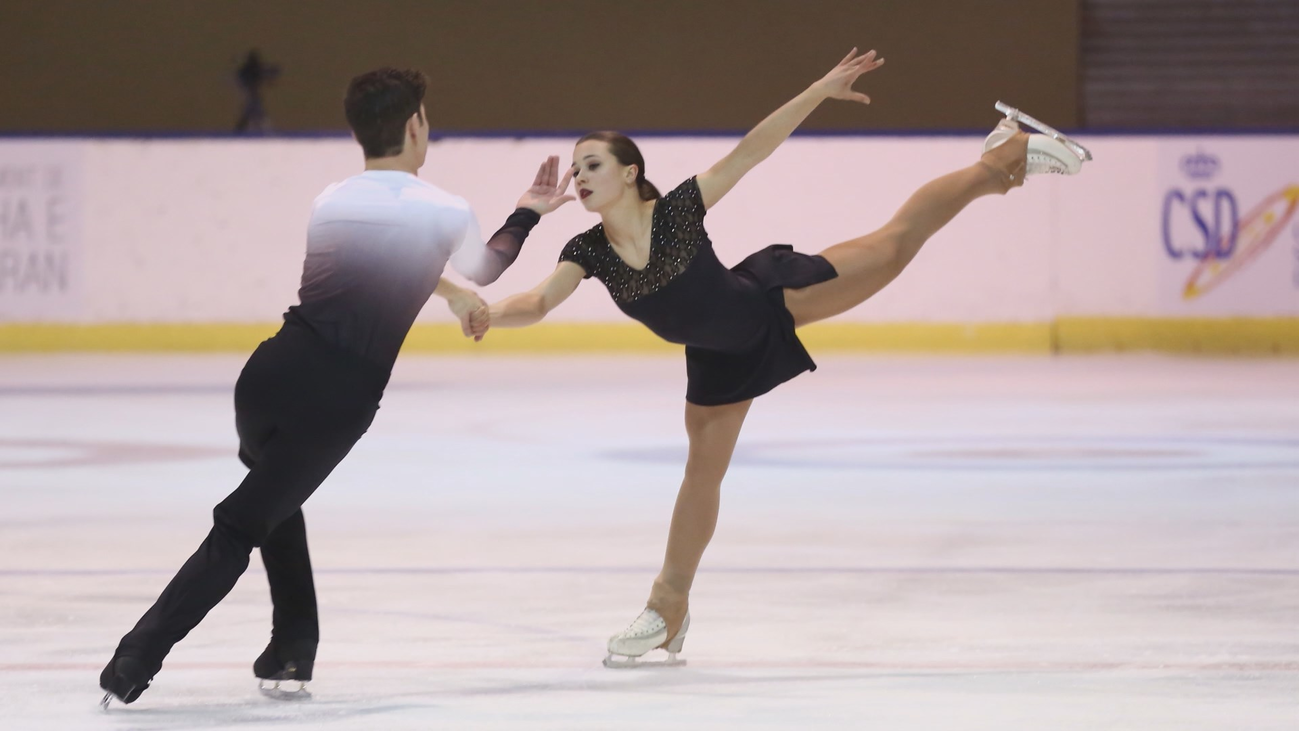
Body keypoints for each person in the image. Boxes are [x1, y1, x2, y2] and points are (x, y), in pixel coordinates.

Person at [480, 48, 1091, 667]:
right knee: (701, 476)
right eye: (576, 168)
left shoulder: (678, 211)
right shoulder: (588, 248)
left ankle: (1006, 153)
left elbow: (752, 149)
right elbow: (535, 301)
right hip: (719, 357)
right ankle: (668, 609)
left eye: (593, 164)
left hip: (776, 300)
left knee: (895, 243)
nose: (579, 177)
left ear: (631, 172)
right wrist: (489, 314)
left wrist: (819, 90)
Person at [98, 67, 575, 705]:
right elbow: (486, 263)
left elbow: (383, 261)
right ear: (414, 126)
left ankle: (294, 646)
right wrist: (528, 212)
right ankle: (134, 659)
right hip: (336, 399)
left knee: (273, 500)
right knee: (243, 523)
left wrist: (451, 293)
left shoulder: (333, 199)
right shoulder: (443, 210)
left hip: (266, 377)